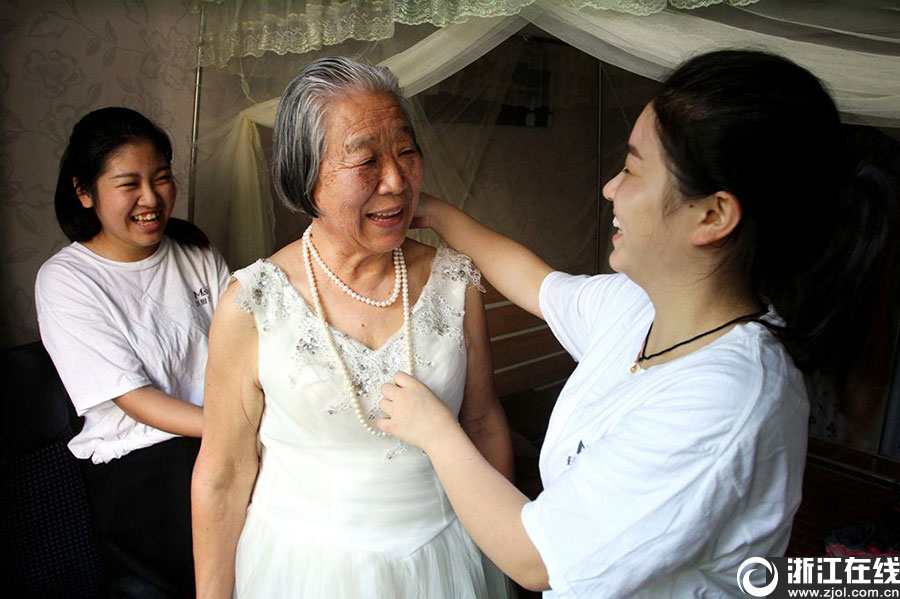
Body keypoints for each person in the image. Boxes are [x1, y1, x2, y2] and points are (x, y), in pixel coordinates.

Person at [378, 49, 895, 598]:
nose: (609, 189)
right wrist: (432, 212)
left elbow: (536, 560)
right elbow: (536, 283)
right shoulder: (640, 306)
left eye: (631, 168)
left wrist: (435, 430)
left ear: (713, 215)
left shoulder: (725, 398)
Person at [191, 56, 515, 598]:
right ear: (307, 177)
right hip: (301, 569)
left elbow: (482, 422)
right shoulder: (253, 304)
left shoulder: (456, 283)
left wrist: (506, 559)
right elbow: (223, 475)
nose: (396, 180)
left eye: (407, 152)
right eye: (366, 160)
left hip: (444, 557)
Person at [35, 106, 230, 597]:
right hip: (145, 467)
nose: (151, 198)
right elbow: (132, 398)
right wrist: (239, 427)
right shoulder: (66, 280)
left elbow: (247, 342)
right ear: (84, 192)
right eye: (129, 184)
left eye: (161, 178)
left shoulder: (194, 250)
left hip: (222, 440)